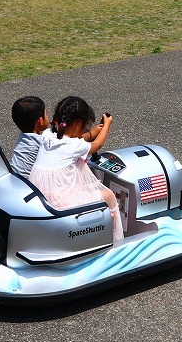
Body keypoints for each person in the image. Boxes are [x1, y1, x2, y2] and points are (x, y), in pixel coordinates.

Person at [28, 96, 124, 240]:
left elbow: (72, 140)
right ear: (79, 123)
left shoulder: (48, 135)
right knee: (109, 196)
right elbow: (97, 145)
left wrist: (94, 131)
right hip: (60, 200)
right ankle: (113, 239)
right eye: (84, 125)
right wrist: (107, 125)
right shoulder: (75, 146)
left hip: (41, 195)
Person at [9, 96, 48, 178]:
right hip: (26, 185)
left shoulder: (22, 138)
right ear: (40, 121)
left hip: (13, 176)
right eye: (46, 114)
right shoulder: (43, 141)